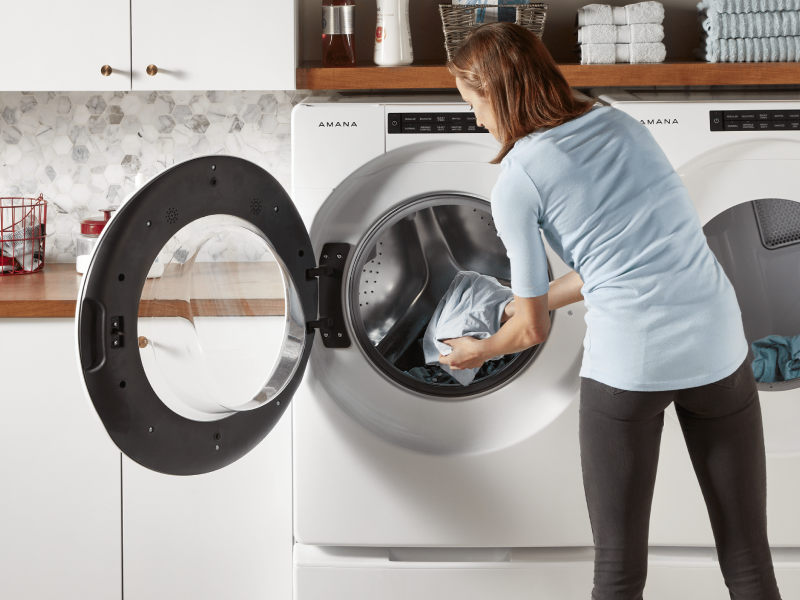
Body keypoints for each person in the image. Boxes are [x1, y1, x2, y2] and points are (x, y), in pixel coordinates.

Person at [439, 22, 782, 600]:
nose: (475, 120)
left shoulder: (519, 179)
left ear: (497, 94)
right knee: (748, 556)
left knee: (619, 575)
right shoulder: (616, 120)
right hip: (718, 342)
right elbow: (620, 261)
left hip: (632, 362)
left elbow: (532, 331)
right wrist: (522, 300)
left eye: (472, 104)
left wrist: (480, 349)